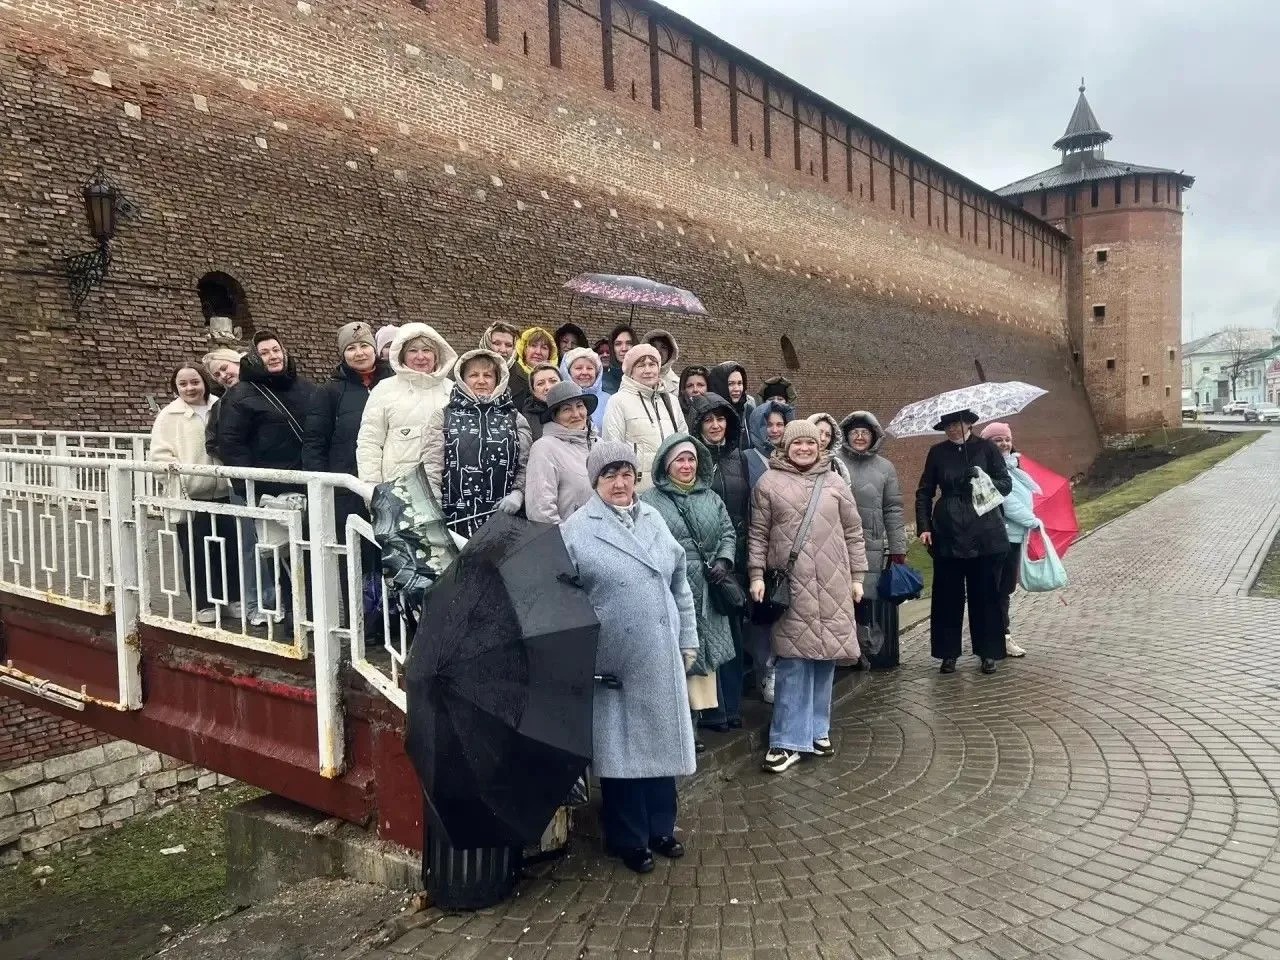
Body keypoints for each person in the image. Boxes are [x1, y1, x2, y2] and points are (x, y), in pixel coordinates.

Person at [560, 441, 699, 874]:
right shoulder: (577, 530)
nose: (620, 484)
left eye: (626, 474)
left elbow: (680, 583)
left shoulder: (653, 517)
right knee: (622, 755)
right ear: (595, 481)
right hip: (614, 661)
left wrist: (688, 639)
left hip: (660, 653)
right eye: (610, 476)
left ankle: (661, 828)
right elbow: (565, 598)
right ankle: (629, 839)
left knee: (661, 746)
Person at [749, 421, 868, 774]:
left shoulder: (834, 483)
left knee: (825, 659)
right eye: (797, 443)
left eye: (810, 443)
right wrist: (756, 575)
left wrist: (857, 578)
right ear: (785, 447)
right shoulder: (768, 483)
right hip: (792, 588)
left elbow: (853, 531)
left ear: (820, 446)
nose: (804, 448)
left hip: (833, 584)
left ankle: (817, 730)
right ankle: (786, 740)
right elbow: (758, 534)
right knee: (793, 662)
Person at [642, 434, 736, 745]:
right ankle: (679, 727)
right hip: (673, 588)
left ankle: (697, 721)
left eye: (691, 459)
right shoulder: (649, 502)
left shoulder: (711, 498)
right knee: (675, 658)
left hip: (708, 587)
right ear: (666, 465)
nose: (686, 465)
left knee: (702, 659)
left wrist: (724, 560)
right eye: (680, 460)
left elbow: (727, 532)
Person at [215, 331, 316, 624]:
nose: (273, 356)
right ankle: (292, 618)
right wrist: (251, 488)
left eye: (276, 350)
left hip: (307, 482)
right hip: (270, 490)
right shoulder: (241, 394)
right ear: (254, 358)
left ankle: (313, 614)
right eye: (265, 352)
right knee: (281, 555)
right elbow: (232, 444)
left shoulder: (306, 389)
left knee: (311, 554)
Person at [686, 393, 766, 729]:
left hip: (736, 558)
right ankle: (712, 710)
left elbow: (752, 509)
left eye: (720, 419)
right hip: (705, 559)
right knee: (707, 636)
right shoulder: (692, 460)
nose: (716, 425)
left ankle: (732, 707)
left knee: (733, 635)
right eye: (708, 420)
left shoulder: (741, 460)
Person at [915, 409, 1012, 675]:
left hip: (984, 528)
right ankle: (948, 653)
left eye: (957, 423)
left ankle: (988, 651)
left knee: (985, 594)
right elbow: (924, 491)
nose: (952, 429)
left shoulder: (986, 449)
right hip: (948, 530)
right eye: (947, 425)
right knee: (947, 596)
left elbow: (1006, 484)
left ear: (969, 424)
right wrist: (924, 526)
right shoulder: (937, 453)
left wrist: (983, 478)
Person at [303, 322, 393, 605]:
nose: (359, 353)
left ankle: (392, 617)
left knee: (390, 554)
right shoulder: (329, 392)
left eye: (364, 345)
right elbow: (315, 442)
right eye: (351, 348)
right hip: (348, 487)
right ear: (343, 354)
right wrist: (321, 485)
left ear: (374, 349)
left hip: (388, 480)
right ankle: (364, 617)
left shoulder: (393, 384)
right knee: (357, 557)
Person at [150, 363, 240, 625]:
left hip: (224, 491)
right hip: (192, 496)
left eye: (195, 382)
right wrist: (183, 479)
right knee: (197, 552)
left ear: (204, 382)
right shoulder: (169, 416)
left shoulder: (220, 406)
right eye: (183, 384)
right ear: (176, 387)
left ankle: (232, 599)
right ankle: (203, 603)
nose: (190, 388)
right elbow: (159, 456)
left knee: (229, 549)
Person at [423, 349, 532, 538]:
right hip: (454, 520)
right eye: (474, 375)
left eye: (487, 375)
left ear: (498, 380)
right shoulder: (443, 416)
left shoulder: (516, 418)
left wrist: (518, 493)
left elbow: (526, 465)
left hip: (504, 520)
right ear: (462, 379)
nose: (481, 381)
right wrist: (434, 511)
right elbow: (431, 468)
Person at [833, 411, 908, 669]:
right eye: (855, 432)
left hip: (870, 544)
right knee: (839, 598)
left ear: (874, 436)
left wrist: (898, 548)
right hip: (837, 542)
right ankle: (842, 651)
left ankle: (865, 648)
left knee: (864, 600)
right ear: (846, 435)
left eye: (865, 432)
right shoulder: (835, 462)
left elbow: (893, 509)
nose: (860, 437)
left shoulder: (885, 468)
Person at [202, 347, 270, 622]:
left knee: (276, 544)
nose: (223, 375)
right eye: (216, 374)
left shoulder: (266, 391)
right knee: (251, 545)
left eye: (225, 367)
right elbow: (213, 443)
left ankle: (279, 601)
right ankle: (256, 604)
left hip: (271, 479)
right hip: (243, 483)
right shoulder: (221, 406)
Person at [356, 323, 457, 484]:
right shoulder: (384, 390)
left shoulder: (453, 390)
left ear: (436, 354)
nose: (420, 357)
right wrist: (371, 487)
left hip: (448, 486)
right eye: (413, 350)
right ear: (402, 355)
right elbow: (370, 442)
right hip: (400, 488)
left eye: (426, 350)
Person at [980, 422, 1038, 659]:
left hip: (1014, 536)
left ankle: (998, 636)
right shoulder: (990, 469)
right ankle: (1001, 637)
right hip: (999, 536)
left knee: (1004, 589)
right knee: (999, 590)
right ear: (987, 444)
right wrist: (1032, 521)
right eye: (997, 440)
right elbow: (1006, 501)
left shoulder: (1013, 466)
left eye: (1007, 439)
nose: (1004, 444)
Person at [601, 343, 686, 495]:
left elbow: (683, 441)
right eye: (641, 365)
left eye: (652, 364)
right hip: (638, 492)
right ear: (631, 371)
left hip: (671, 488)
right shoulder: (618, 401)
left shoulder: (671, 401)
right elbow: (612, 449)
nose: (648, 370)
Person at [524, 382, 597, 524]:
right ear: (554, 416)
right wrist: (567, 535)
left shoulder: (599, 444)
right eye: (566, 409)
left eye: (580, 406)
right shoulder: (544, 448)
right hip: (569, 536)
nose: (576, 414)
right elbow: (540, 511)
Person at [558, 346, 609, 431]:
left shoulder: (609, 401)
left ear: (597, 373)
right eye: (578, 368)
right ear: (567, 372)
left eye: (589, 368)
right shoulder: (558, 400)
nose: (585, 372)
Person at [707, 361, 755, 450]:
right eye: (731, 384)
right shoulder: (708, 413)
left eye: (740, 383)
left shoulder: (748, 410)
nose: (737, 389)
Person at [510, 326, 558, 403]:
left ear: (550, 353)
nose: (538, 352)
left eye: (544, 348)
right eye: (533, 346)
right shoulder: (510, 374)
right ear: (524, 349)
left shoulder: (558, 378)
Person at [747, 396, 794, 472]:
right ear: (757, 427)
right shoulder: (747, 458)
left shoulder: (795, 456)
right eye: (769, 425)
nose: (774, 430)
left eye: (779, 425)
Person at [520, 363, 561, 443]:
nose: (548, 387)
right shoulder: (525, 420)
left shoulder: (578, 407)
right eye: (540, 383)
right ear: (533, 390)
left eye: (553, 381)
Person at [808, 413, 851, 484]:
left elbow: (846, 489)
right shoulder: (795, 462)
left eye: (827, 435)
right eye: (819, 432)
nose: (823, 438)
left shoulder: (837, 465)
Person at [642, 329, 682, 395]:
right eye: (653, 346)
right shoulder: (633, 379)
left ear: (670, 353)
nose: (658, 351)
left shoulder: (679, 386)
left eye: (663, 347)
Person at [601, 324, 636, 395]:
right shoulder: (601, 382)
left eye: (629, 343)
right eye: (618, 344)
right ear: (612, 348)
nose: (624, 349)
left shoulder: (645, 378)